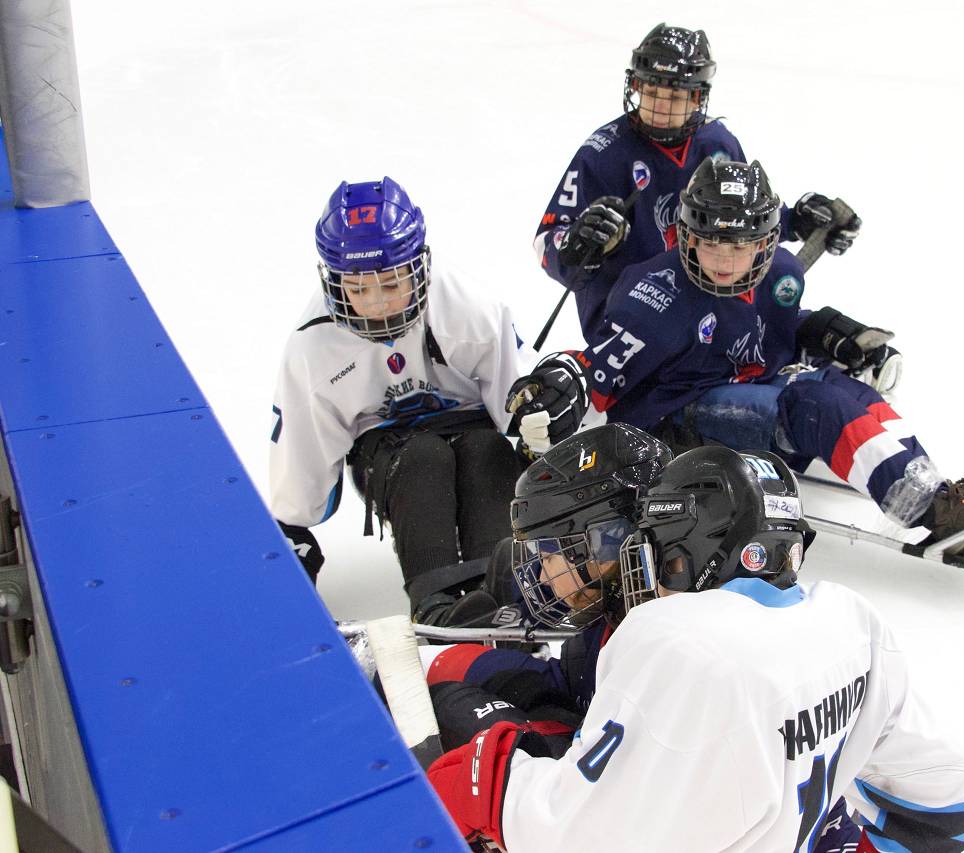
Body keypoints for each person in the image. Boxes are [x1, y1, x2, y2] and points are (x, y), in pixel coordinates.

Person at [427, 445, 964, 852]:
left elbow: (573, 835)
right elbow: (954, 810)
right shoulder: (855, 622)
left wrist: (484, 781)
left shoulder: (681, 642)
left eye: (653, 551)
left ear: (684, 556)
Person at [520, 157, 964, 558]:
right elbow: (597, 370)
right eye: (710, 242)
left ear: (767, 241)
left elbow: (769, 334)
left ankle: (938, 491)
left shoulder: (782, 276)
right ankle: (934, 513)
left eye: (740, 245)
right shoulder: (654, 297)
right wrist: (559, 383)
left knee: (846, 388)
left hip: (744, 393)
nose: (724, 259)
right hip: (678, 429)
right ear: (687, 237)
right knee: (811, 403)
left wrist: (823, 333)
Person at [268, 176, 574, 622]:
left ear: (419, 267)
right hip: (388, 447)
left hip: (470, 426)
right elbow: (301, 460)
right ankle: (436, 601)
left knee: (486, 449)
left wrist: (538, 415)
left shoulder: (466, 308)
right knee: (423, 458)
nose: (378, 305)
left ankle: (509, 588)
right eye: (359, 289)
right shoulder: (312, 348)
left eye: (392, 284)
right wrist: (292, 533)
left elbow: (517, 401)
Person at [534, 22, 860, 341]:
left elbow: (739, 220)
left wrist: (796, 223)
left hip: (707, 304)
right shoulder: (602, 154)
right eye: (651, 92)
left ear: (696, 98)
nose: (659, 108)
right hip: (629, 321)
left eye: (675, 97)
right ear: (634, 87)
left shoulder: (717, 144)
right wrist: (578, 244)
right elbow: (548, 241)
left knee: (789, 326)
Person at [421, 423, 672, 757]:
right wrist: (431, 662)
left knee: (454, 709)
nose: (541, 576)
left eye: (549, 557)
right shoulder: (608, 622)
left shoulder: (660, 649)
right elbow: (561, 682)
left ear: (603, 545)